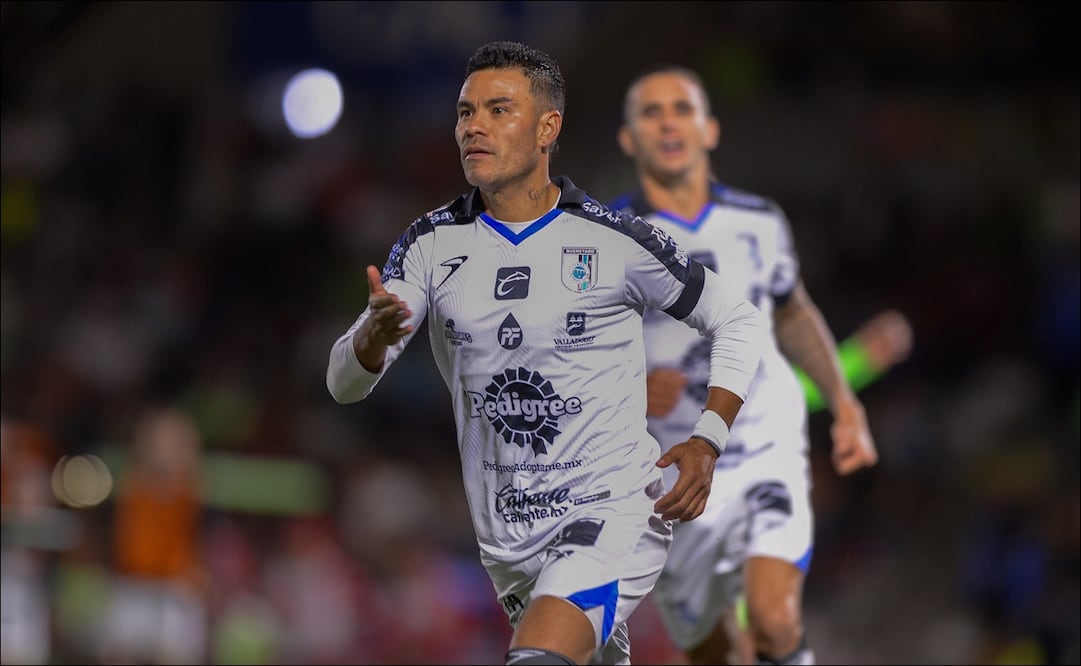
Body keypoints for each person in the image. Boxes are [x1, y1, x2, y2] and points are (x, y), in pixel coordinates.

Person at [327, 42, 768, 666]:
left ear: (546, 128)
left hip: (612, 513)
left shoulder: (616, 240)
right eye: (464, 112)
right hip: (508, 546)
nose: (472, 126)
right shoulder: (429, 245)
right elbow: (344, 384)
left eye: (498, 109)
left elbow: (736, 318)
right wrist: (369, 342)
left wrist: (708, 437)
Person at [612, 65, 898, 665]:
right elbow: (564, 348)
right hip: (669, 474)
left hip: (763, 446)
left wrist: (845, 403)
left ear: (710, 129)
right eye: (652, 112)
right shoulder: (605, 236)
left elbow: (793, 313)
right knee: (713, 651)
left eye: (682, 109)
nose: (669, 122)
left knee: (774, 619)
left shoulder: (760, 221)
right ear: (628, 139)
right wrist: (626, 386)